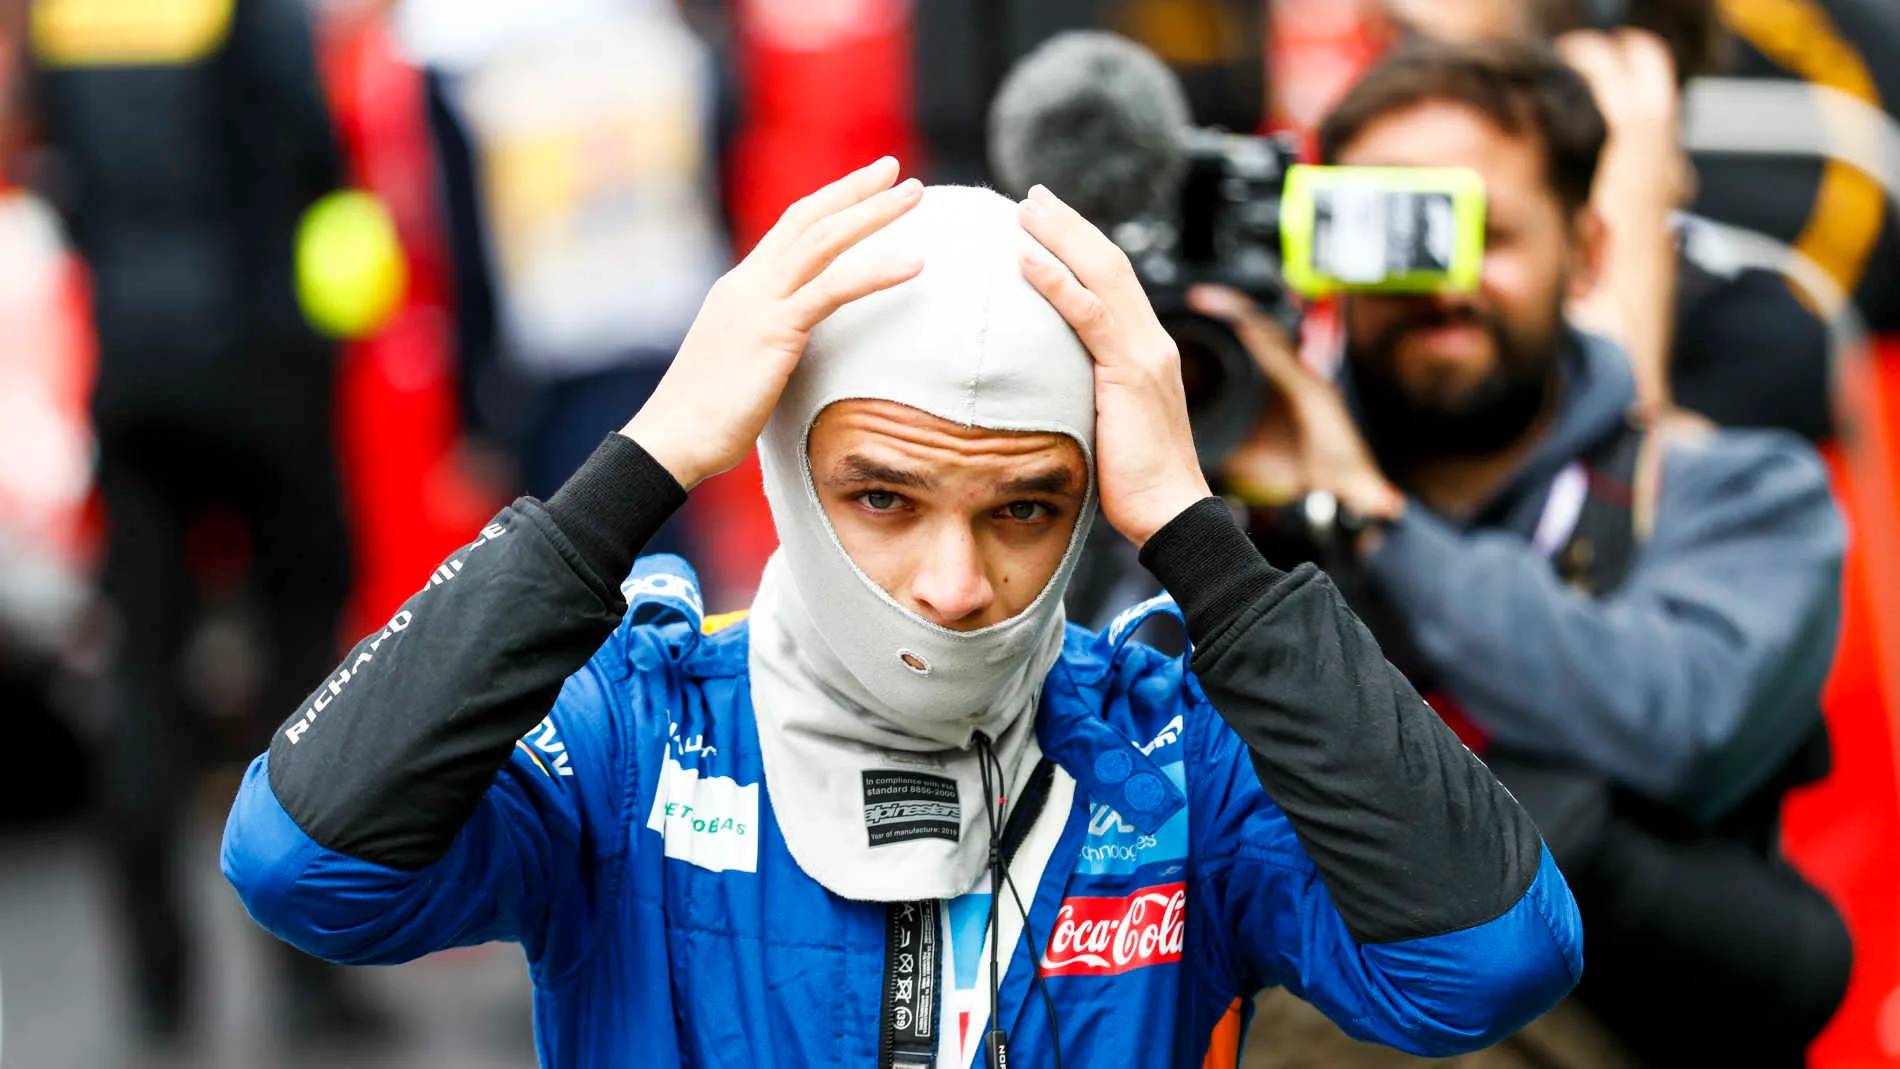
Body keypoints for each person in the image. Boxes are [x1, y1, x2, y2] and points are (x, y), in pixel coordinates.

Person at [221, 161, 1583, 1067]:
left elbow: (1488, 961)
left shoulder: (1172, 758)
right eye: (882, 498)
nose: (953, 583)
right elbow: (302, 863)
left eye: (1026, 510)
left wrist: (1195, 536)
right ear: (779, 463)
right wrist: (636, 469)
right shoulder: (641, 725)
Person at [1168, 40, 1847, 1068]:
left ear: (1585, 251)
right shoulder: (1240, 491)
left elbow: (1680, 719)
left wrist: (1369, 517)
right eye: (1399, 233)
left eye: (1482, 231)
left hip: (1616, 1016)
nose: (1445, 282)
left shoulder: (1731, 489)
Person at [25, 0, 383, 1041]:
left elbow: (69, 185)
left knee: (142, 674)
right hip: (262, 359)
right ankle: (311, 974)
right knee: (304, 661)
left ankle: (155, 986)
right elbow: (315, 155)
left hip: (134, 372)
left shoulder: (70, 18)